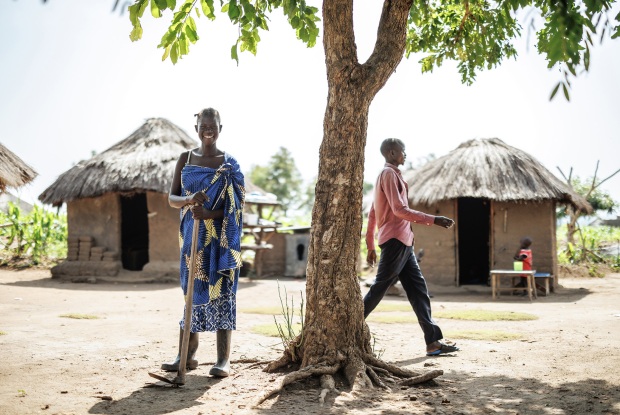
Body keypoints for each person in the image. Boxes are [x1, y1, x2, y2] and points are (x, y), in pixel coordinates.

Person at [162, 108, 245, 377]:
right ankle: (186, 355)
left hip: (221, 240)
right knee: (192, 292)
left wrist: (209, 214)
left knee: (223, 292)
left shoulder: (229, 164)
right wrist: (189, 200)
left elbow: (237, 207)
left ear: (221, 128)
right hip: (192, 237)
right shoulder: (185, 159)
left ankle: (223, 360)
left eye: (213, 126)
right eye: (203, 126)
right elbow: (172, 199)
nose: (208, 130)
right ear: (196, 128)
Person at [365, 138, 460, 357]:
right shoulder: (388, 175)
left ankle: (433, 342)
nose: (405, 154)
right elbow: (399, 210)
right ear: (392, 153)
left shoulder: (388, 176)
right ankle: (348, 328)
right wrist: (434, 219)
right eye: (402, 151)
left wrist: (370, 244)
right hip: (395, 241)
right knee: (380, 287)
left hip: (404, 243)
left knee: (418, 291)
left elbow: (373, 213)